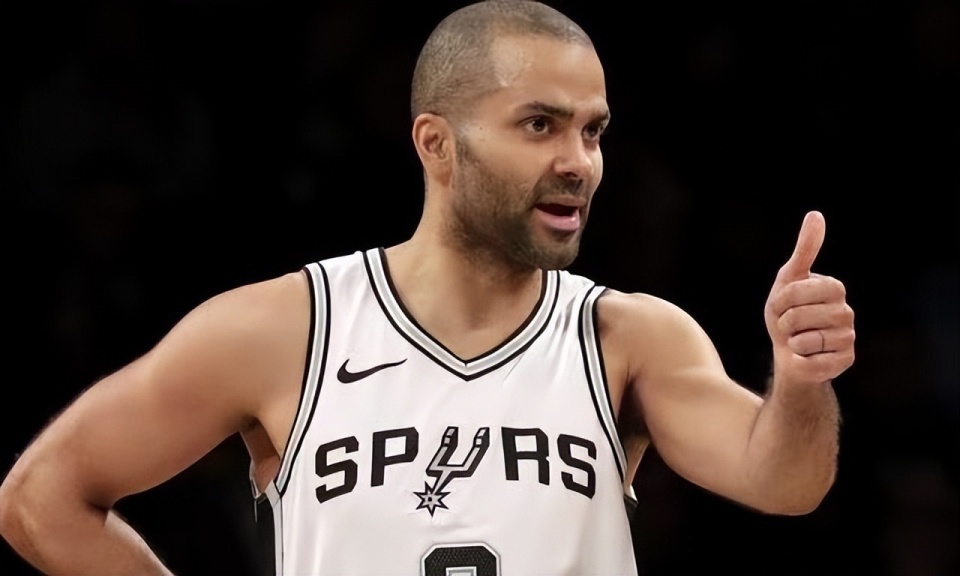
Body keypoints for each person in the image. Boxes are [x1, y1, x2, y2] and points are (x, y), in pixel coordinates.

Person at [0, 1, 855, 574]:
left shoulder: (629, 337)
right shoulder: (285, 329)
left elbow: (785, 483)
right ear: (436, 144)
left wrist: (802, 381)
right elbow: (41, 498)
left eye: (593, 131)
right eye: (540, 124)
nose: (578, 162)